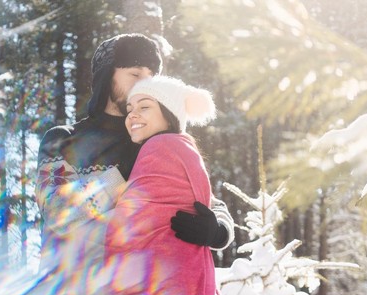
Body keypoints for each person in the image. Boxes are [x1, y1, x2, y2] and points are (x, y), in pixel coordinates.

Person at [36, 33, 234, 275]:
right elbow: (57, 212)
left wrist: (218, 230)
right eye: (135, 74)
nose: (144, 83)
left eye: (151, 77)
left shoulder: (160, 142)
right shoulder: (62, 139)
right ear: (106, 76)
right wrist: (122, 175)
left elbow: (210, 201)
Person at [103, 76, 226, 295]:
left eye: (144, 107)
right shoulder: (182, 148)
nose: (132, 114)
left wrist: (219, 230)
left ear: (169, 114)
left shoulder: (164, 148)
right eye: (130, 107)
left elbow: (129, 225)